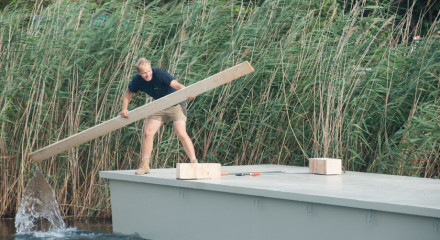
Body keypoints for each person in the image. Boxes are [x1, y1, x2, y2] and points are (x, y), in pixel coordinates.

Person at [121, 58, 197, 175]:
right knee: (148, 132)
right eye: (144, 73)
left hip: (176, 103)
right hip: (160, 105)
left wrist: (186, 92)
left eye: (149, 71)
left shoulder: (160, 74)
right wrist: (124, 109)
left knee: (181, 132)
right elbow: (128, 93)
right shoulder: (137, 80)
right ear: (139, 73)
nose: (147, 74)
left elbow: (176, 85)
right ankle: (145, 165)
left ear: (151, 68)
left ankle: (194, 162)